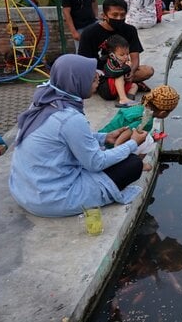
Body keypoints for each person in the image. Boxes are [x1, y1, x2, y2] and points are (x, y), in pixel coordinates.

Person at [9, 54, 147, 218]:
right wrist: (132, 143)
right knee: (132, 164)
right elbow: (96, 163)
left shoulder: (47, 100)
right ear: (76, 81)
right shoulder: (70, 118)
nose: (98, 81)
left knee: (113, 154)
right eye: (93, 78)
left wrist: (104, 137)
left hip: (26, 191)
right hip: (53, 199)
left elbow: (64, 138)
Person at [78, 0, 154, 92]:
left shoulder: (130, 30)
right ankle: (121, 85)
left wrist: (131, 71)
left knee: (147, 71)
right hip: (100, 73)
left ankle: (117, 85)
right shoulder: (89, 33)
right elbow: (84, 63)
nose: (119, 18)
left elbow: (135, 58)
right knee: (87, 79)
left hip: (122, 70)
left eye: (122, 15)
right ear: (104, 15)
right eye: (114, 15)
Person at [101, 84, 180, 169]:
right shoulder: (146, 121)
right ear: (163, 113)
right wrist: (116, 154)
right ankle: (136, 165)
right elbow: (121, 138)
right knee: (149, 141)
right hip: (108, 147)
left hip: (102, 138)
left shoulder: (140, 107)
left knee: (146, 137)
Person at [96, 34, 138, 108]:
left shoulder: (124, 62)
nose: (125, 57)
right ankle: (123, 99)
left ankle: (128, 100)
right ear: (112, 55)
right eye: (122, 55)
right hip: (107, 90)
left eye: (127, 54)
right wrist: (126, 68)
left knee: (134, 86)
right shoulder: (110, 61)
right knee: (119, 75)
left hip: (115, 90)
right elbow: (112, 72)